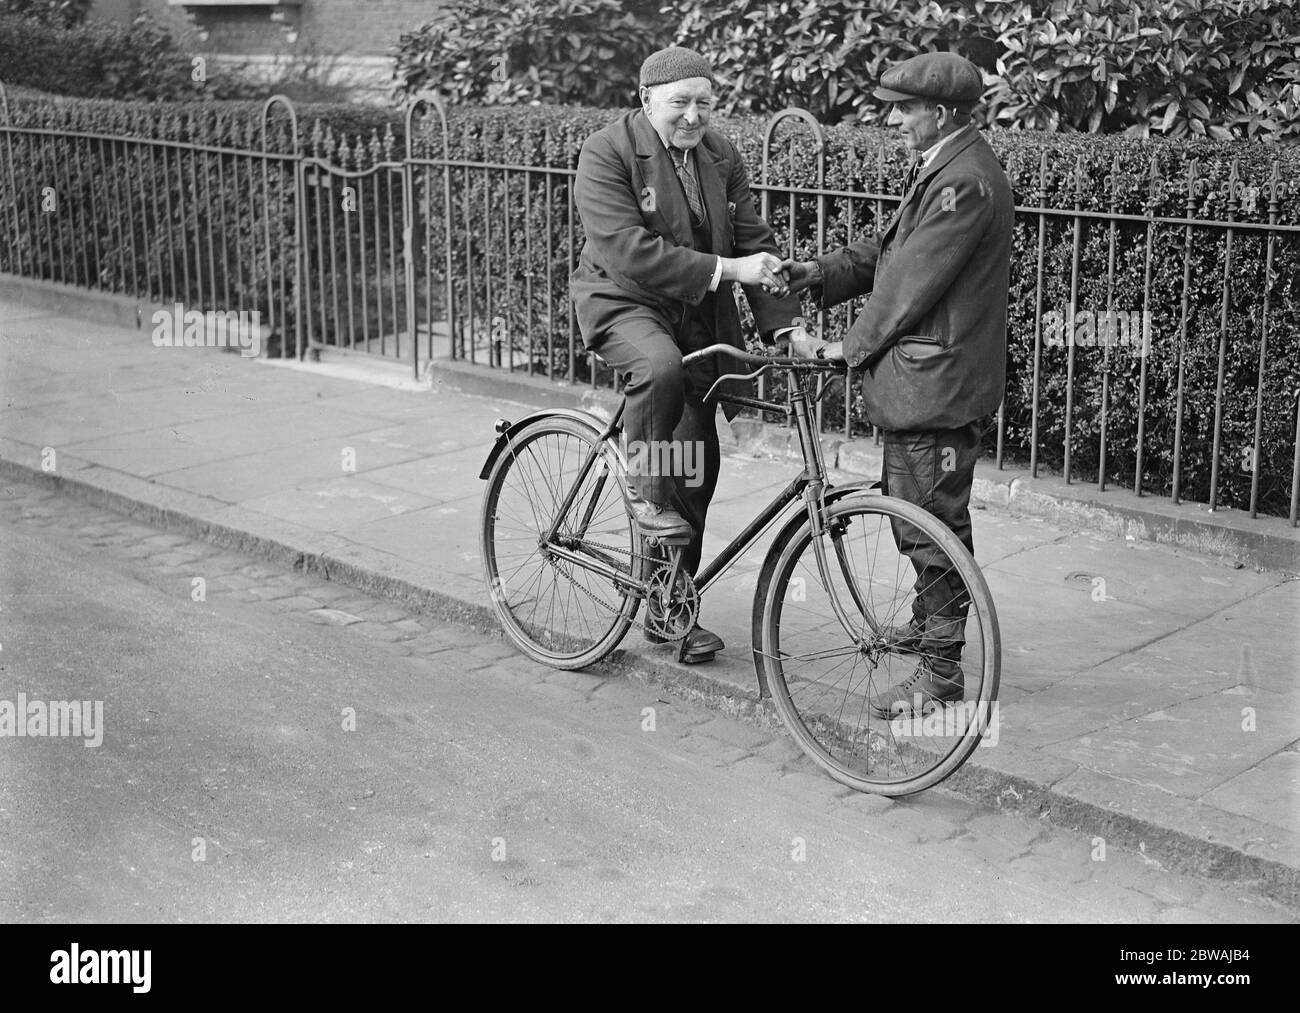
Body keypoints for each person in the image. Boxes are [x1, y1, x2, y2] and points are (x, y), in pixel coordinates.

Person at [781, 51, 1013, 718]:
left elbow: (907, 286)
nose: (894, 119)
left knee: (928, 526)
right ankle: (926, 625)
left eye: (904, 109)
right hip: (935, 381)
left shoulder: (962, 181)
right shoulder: (952, 164)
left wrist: (840, 346)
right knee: (928, 514)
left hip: (933, 386)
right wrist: (816, 274)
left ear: (939, 112)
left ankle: (940, 676)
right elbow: (891, 257)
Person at [570, 46, 807, 664]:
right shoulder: (607, 152)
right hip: (625, 303)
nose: (693, 115)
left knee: (696, 467)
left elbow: (754, 240)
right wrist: (727, 268)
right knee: (658, 368)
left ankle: (667, 607)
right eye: (680, 102)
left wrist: (787, 329)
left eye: (704, 101)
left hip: (696, 315)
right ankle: (644, 493)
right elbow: (626, 250)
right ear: (646, 99)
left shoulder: (721, 155)